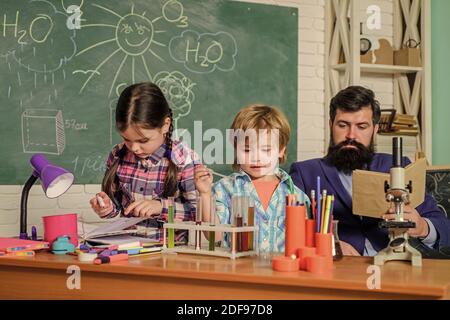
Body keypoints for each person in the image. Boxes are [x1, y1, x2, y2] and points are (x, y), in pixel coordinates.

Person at [290, 86, 450, 256]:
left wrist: (423, 227)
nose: (351, 135)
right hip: (338, 270)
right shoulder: (304, 172)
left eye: (362, 126)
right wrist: (330, 244)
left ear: (375, 130)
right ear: (331, 125)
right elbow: (289, 232)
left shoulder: (399, 166)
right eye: (343, 125)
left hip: (395, 267)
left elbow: (444, 226)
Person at [89, 82, 199, 242]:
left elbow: (199, 214)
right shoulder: (117, 155)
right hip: (126, 248)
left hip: (170, 254)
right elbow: (118, 208)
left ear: (165, 126)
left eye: (143, 140)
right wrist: (106, 207)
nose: (134, 148)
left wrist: (160, 207)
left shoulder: (184, 159)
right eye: (127, 139)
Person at [195, 105, 310, 253]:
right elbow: (214, 237)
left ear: (281, 150)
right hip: (237, 272)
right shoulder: (225, 189)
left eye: (266, 150)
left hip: (282, 273)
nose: (256, 157)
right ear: (236, 149)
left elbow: (306, 244)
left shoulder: (296, 195)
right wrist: (205, 194)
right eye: (247, 150)